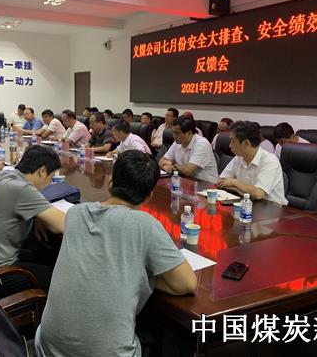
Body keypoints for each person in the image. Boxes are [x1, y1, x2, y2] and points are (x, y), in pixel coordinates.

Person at [35, 150, 196, 357]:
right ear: (148, 196)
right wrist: (143, 276)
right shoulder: (145, 225)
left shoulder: (75, 213)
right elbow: (186, 284)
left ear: (110, 183)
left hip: (48, 348)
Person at [0, 146, 66, 294]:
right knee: (60, 276)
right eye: (51, 178)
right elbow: (62, 225)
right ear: (42, 170)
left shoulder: (3, 176)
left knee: (45, 257)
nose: (49, 184)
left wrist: (38, 215)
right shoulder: (21, 189)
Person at [217, 121, 287, 206]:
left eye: (233, 141)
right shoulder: (239, 157)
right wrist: (239, 190)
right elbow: (220, 181)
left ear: (246, 143)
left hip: (271, 208)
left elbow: (258, 194)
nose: (230, 145)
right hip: (248, 203)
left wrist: (234, 182)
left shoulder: (270, 161)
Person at [159, 117, 218, 183]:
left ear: (189, 133)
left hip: (206, 184)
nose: (174, 136)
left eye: (177, 133)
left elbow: (188, 171)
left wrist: (173, 165)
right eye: (173, 132)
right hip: (185, 181)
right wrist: (168, 167)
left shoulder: (202, 144)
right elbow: (161, 161)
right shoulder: (177, 142)